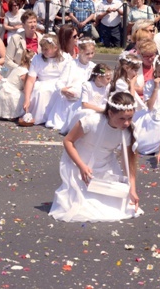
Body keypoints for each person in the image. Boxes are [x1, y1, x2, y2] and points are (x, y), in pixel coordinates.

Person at [49, 91, 140, 222]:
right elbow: (68, 141)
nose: (126, 123)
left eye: (130, 118)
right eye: (122, 118)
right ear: (110, 113)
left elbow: (128, 162)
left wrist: (132, 189)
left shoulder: (128, 131)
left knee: (118, 208)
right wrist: (81, 166)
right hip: (80, 164)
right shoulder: (91, 121)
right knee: (83, 208)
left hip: (105, 166)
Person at [45, 39, 96, 130]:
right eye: (87, 54)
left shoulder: (93, 67)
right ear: (80, 52)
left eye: (92, 53)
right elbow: (60, 81)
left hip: (84, 97)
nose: (90, 56)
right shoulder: (71, 64)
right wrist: (63, 89)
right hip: (69, 96)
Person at [22, 34, 65, 125]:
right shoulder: (37, 59)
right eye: (42, 49)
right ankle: (41, 117)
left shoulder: (65, 58)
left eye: (46, 49)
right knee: (41, 91)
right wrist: (27, 99)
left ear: (55, 48)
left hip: (59, 83)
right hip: (43, 82)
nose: (43, 51)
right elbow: (30, 80)